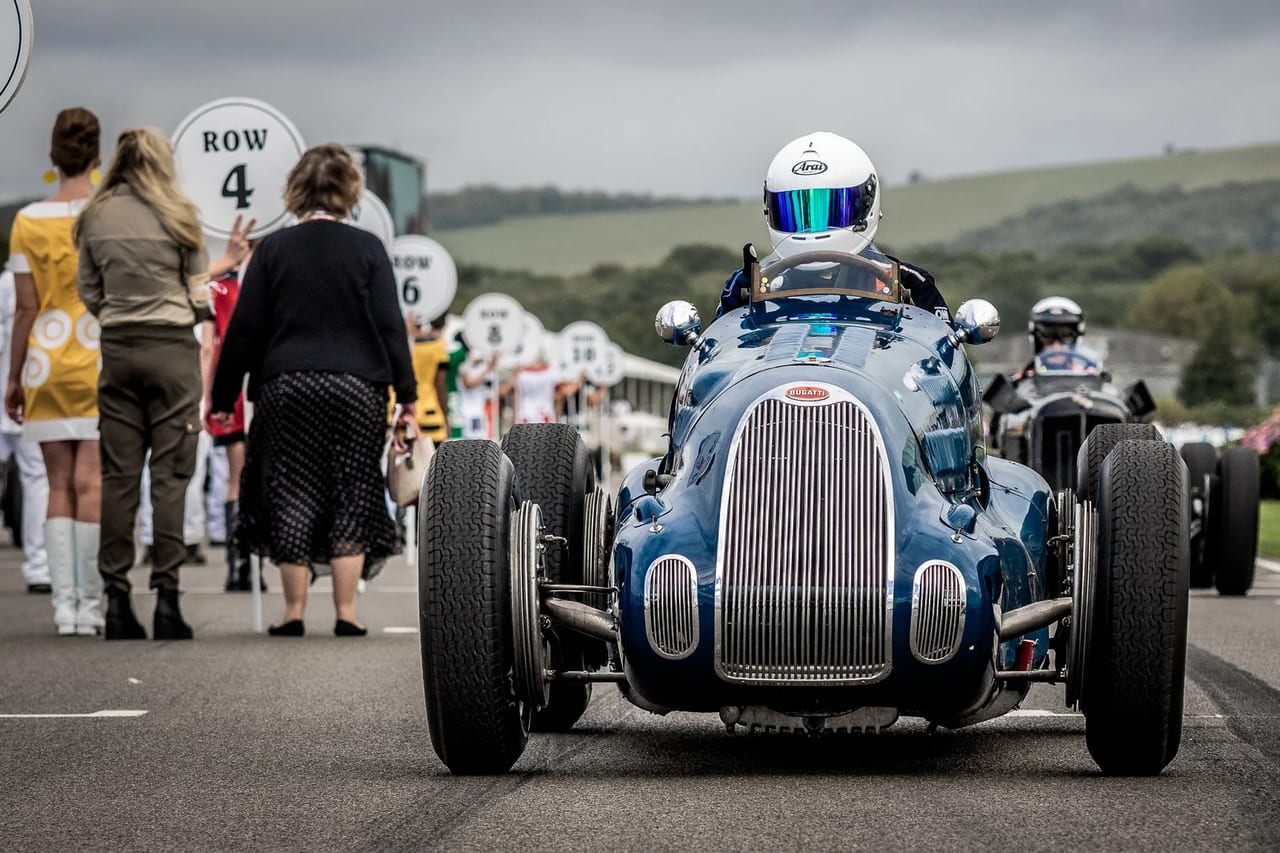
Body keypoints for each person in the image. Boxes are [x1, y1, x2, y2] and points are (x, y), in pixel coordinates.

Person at [210, 143, 418, 638]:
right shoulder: (368, 248)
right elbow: (391, 326)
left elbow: (244, 330)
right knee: (352, 488)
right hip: (357, 387)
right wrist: (407, 394)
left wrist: (222, 396)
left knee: (290, 490)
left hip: (286, 384)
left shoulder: (273, 250)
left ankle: (294, 611)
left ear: (296, 190)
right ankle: (346, 612)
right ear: (350, 191)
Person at [75, 127, 253, 641]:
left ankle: (116, 599)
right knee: (171, 476)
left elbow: (89, 289)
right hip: (172, 350)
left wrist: (119, 313)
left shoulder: (95, 215)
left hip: (117, 348)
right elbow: (198, 294)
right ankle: (168, 599)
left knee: (119, 477)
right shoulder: (179, 214)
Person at [5, 108, 103, 636]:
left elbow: (25, 307)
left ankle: (64, 608)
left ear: (52, 157)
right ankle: (91, 605)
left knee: (56, 484)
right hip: (96, 355)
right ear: (97, 156)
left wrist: (13, 376)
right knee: (92, 482)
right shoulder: (105, 214)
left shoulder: (27, 222)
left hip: (45, 359)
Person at [716, 132, 948, 320]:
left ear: (866, 202)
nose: (812, 228)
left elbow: (939, 347)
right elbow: (724, 344)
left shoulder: (910, 283)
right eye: (795, 212)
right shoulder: (748, 283)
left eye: (831, 209)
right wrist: (742, 297)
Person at [200, 245, 263, 592]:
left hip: (229, 387)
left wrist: (207, 395)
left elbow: (207, 348)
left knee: (235, 477)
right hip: (260, 384)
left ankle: (236, 566)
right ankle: (254, 564)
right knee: (258, 476)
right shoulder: (264, 284)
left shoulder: (217, 289)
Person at [0, 267, 50, 595]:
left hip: (19, 389)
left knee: (38, 478)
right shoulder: (51, 277)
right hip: (31, 388)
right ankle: (40, 566)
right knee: (37, 479)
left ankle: (41, 565)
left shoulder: (7, 283)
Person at [396, 311, 449, 444]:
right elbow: (440, 386)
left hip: (400, 413)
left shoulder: (396, 346)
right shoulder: (437, 346)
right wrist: (446, 416)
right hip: (430, 412)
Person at [1013, 297, 1086, 381]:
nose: (1056, 346)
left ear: (1076, 338)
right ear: (1036, 339)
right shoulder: (1021, 381)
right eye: (1047, 335)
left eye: (1065, 335)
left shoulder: (1090, 377)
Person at [501, 349, 559, 425]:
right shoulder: (520, 372)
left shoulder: (552, 371)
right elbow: (504, 391)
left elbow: (563, 392)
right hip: (526, 414)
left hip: (544, 414)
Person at [457, 348, 500, 440]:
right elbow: (469, 383)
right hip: (468, 414)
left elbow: (492, 389)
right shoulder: (464, 368)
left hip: (480, 413)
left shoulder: (482, 369)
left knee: (480, 441)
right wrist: (489, 367)